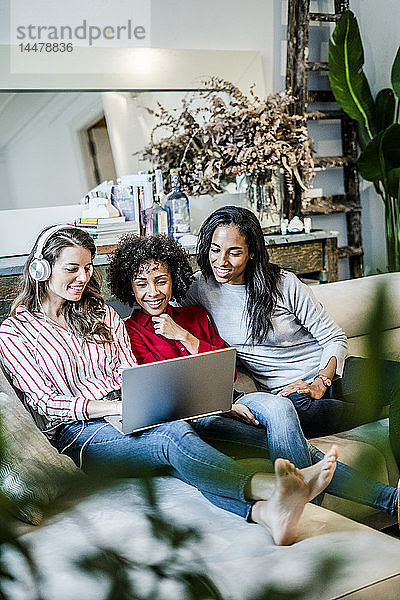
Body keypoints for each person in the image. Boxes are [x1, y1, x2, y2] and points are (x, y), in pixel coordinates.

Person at [0, 225, 341, 547]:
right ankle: (272, 489)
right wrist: (114, 407)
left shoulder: (101, 313)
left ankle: (365, 500)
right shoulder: (15, 332)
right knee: (173, 436)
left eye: (88, 268)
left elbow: (132, 371)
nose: (82, 278)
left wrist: (188, 401)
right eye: (72, 268)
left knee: (248, 434)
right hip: (82, 433)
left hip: (134, 410)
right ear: (42, 269)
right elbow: (46, 403)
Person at [108, 232, 399, 523]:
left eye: (161, 280)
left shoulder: (195, 315)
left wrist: (183, 336)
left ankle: (311, 508)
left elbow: (229, 367)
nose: (153, 292)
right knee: (298, 447)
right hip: (201, 415)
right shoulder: (130, 331)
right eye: (141, 284)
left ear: (173, 279)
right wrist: (222, 406)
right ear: (129, 288)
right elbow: (159, 390)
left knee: (281, 408)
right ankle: (380, 503)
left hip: (236, 398)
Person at [187, 205, 400, 467]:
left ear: (252, 253)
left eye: (235, 252)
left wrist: (321, 381)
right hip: (291, 397)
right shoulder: (200, 287)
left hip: (330, 376)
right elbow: (163, 305)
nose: (221, 261)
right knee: (296, 414)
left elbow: (333, 337)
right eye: (215, 250)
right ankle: (373, 409)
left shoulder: (283, 283)